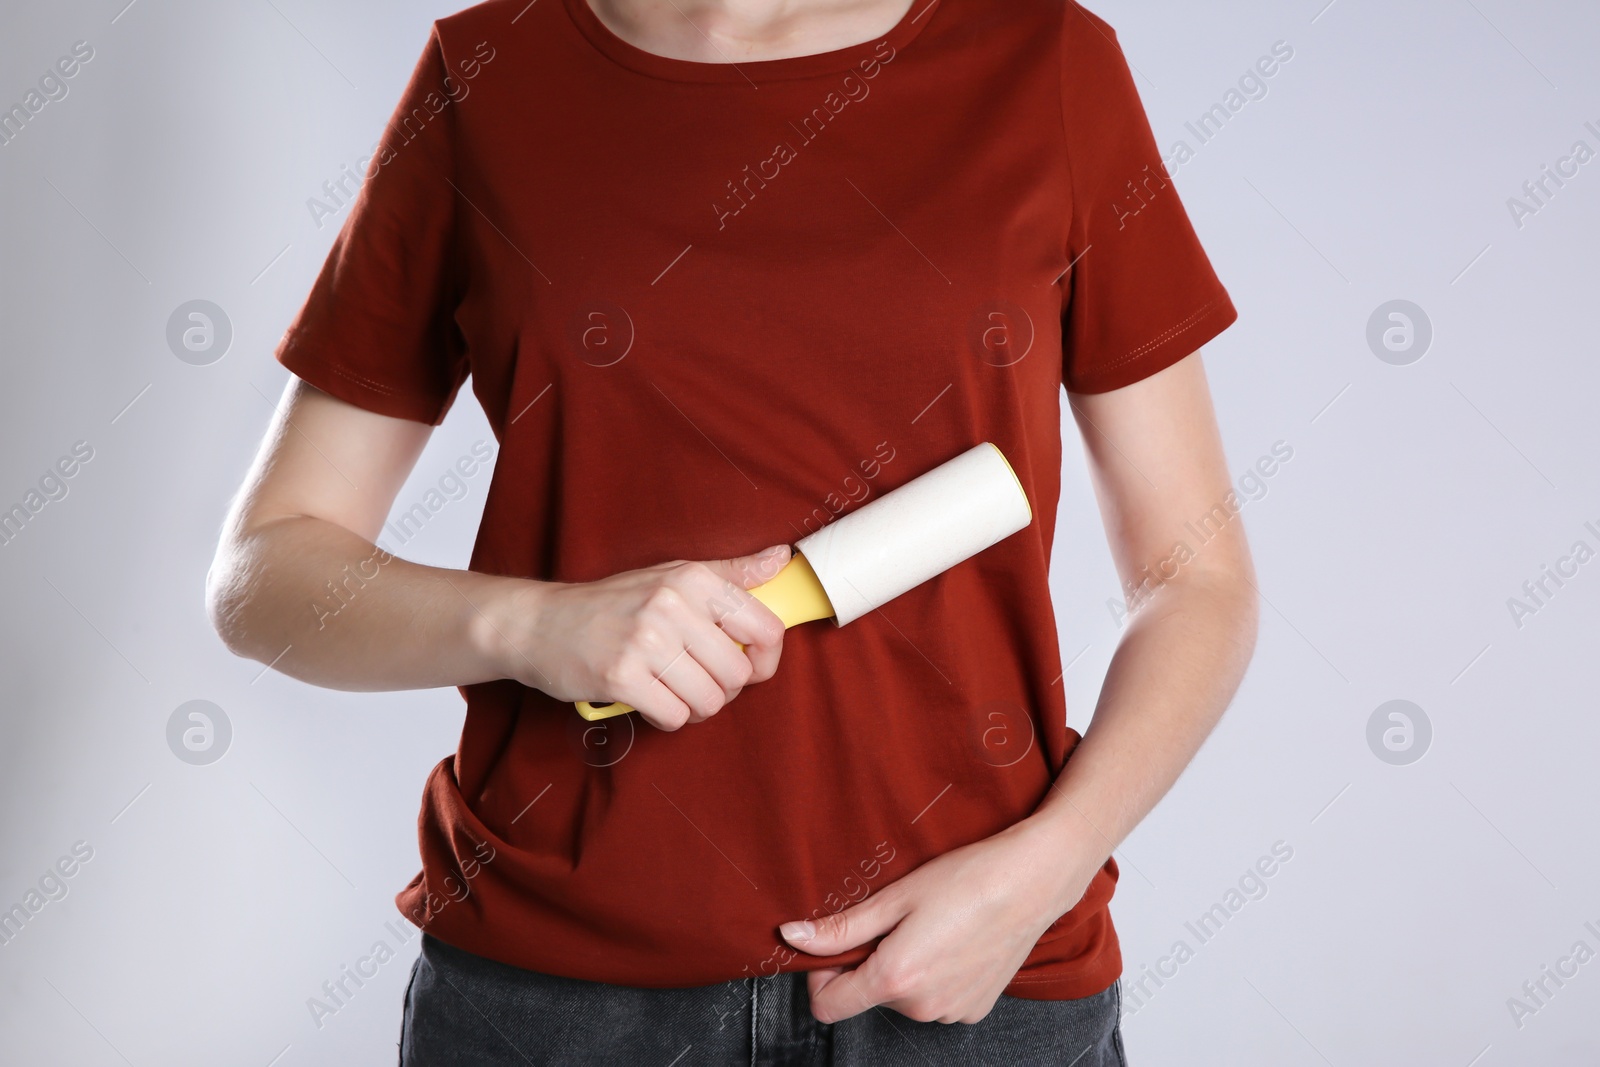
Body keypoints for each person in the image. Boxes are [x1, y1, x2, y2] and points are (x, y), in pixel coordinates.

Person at [206, 0, 1258, 1062]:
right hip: (558, 998)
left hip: (970, 976)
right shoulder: (489, 69)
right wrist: (533, 623)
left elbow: (1198, 576)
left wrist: (1048, 867)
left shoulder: (1045, 61)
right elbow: (270, 568)